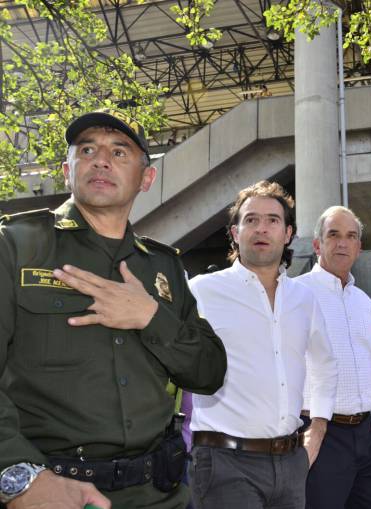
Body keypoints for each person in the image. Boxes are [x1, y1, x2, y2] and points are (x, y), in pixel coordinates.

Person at [0, 109, 227, 508]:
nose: (101, 160)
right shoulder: (16, 247)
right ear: (68, 170)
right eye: (87, 149)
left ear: (146, 178)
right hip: (56, 491)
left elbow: (209, 372)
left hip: (160, 492)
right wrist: (20, 478)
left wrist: (150, 317)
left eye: (120, 152)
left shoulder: (164, 266)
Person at [187, 182, 338, 509]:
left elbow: (326, 365)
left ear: (287, 233)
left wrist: (320, 426)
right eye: (251, 220)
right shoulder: (201, 291)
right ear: (234, 232)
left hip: (291, 463)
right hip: (224, 465)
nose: (261, 228)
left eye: (272, 220)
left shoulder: (304, 298)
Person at [297, 206, 371, 509]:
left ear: (359, 247)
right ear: (317, 244)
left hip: (368, 436)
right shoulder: (295, 294)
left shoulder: (365, 303)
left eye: (350, 236)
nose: (342, 243)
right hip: (320, 433)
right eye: (333, 235)